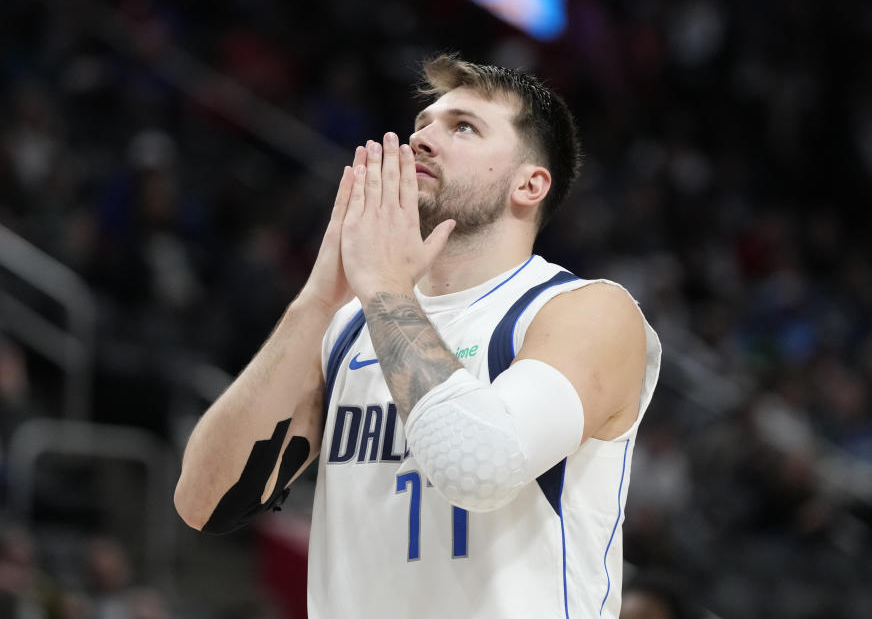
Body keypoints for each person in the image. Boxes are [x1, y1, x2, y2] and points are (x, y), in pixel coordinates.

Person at [174, 54, 662, 618]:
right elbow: (203, 504)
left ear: (529, 184)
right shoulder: (349, 324)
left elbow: (479, 467)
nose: (423, 141)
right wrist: (317, 299)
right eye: (422, 125)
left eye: (463, 127)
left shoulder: (583, 311)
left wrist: (382, 287)